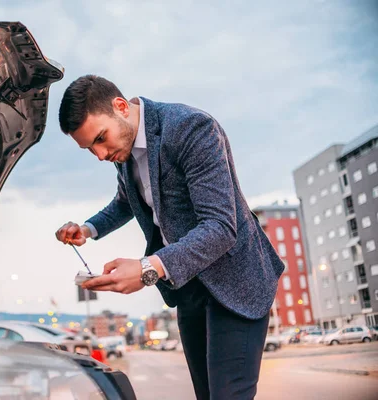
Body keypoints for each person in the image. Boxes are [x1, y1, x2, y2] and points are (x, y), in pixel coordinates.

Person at [54, 75, 284, 400]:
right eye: (89, 148)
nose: (100, 154)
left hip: (235, 282)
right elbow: (125, 202)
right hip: (188, 284)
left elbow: (220, 227)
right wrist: (88, 229)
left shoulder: (191, 128)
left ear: (121, 107)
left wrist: (147, 268)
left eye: (101, 139)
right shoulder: (123, 150)